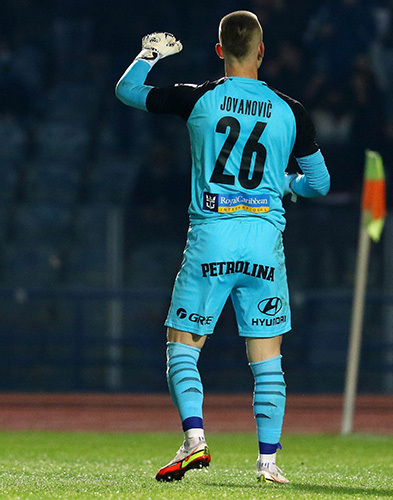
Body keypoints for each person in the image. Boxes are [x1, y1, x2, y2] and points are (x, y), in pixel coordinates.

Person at [115, 11, 330, 484]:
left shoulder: (199, 98)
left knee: (183, 348)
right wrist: (285, 183)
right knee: (267, 359)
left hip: (212, 239)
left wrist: (149, 55)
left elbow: (127, 92)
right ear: (260, 52)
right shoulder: (291, 110)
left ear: (219, 51)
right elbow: (320, 182)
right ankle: (269, 463)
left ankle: (195, 439)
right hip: (263, 246)